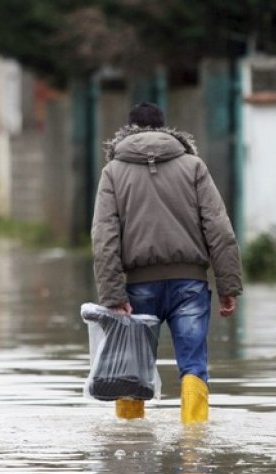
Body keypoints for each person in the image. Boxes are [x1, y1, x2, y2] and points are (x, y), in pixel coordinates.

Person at [91, 102, 243, 423]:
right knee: (194, 367)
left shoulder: (113, 172)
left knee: (130, 371)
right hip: (190, 285)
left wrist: (113, 297)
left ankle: (131, 449)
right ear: (165, 128)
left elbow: (104, 237)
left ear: (127, 129)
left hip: (136, 289)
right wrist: (228, 284)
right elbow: (219, 228)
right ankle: (194, 447)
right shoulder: (194, 166)